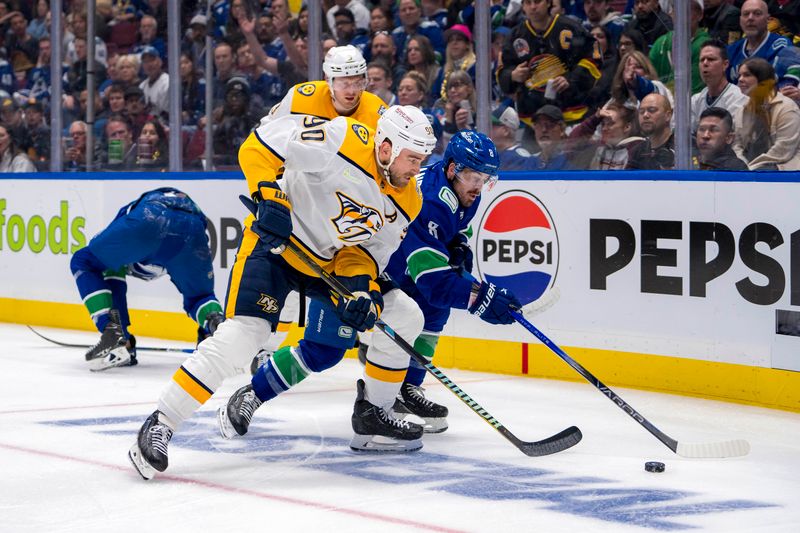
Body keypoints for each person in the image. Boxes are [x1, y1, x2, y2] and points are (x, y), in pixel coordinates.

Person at [128, 105, 436, 478]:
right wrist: (270, 196)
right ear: (385, 147)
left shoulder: (410, 199)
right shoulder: (343, 138)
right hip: (275, 247)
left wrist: (360, 291)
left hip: (326, 265)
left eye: (423, 159)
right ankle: (162, 422)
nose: (417, 168)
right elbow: (257, 147)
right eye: (413, 158)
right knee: (245, 336)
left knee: (404, 314)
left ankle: (374, 414)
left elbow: (365, 252)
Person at [350, 131, 520, 434]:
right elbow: (435, 283)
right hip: (384, 262)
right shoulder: (430, 199)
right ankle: (380, 399)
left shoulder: (464, 190)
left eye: (486, 179)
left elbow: (459, 226)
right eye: (474, 177)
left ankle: (408, 389)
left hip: (412, 256)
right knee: (419, 308)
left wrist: (459, 245)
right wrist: (480, 299)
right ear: (453, 169)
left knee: (435, 313)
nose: (479, 187)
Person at [69, 188, 224, 371]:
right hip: (195, 228)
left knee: (84, 261)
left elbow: (110, 263)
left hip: (151, 216)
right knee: (201, 296)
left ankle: (115, 334)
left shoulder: (124, 219)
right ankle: (218, 333)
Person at [497, 0, 600, 126]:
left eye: (537, 2)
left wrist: (571, 79)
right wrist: (513, 75)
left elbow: (594, 56)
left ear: (548, 3)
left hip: (571, 115)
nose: (533, 7)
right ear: (523, 6)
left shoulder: (571, 28)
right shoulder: (515, 35)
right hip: (532, 119)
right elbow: (502, 71)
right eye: (528, 3)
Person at [732, 57, 800, 170]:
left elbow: (783, 150)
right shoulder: (741, 111)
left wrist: (751, 168)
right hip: (750, 169)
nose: (740, 79)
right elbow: (737, 145)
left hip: (784, 169)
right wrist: (742, 165)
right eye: (739, 75)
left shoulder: (787, 108)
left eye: (747, 75)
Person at [725, 0, 800, 89]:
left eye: (757, 13)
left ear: (768, 19)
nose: (750, 18)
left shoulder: (781, 46)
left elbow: (785, 87)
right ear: (740, 20)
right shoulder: (731, 50)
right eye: (746, 14)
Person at [648, 0, 710, 94]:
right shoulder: (661, 42)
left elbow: (694, 90)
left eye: (685, 10)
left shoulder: (705, 46)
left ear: (700, 15)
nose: (679, 15)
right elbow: (649, 77)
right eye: (675, 10)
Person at [690, 40, 748, 133]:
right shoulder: (695, 101)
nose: (705, 63)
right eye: (702, 60)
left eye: (711, 59)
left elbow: (736, 139)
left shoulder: (739, 98)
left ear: (725, 65)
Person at [567, 102, 644, 170]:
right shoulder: (597, 148)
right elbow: (571, 147)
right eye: (603, 124)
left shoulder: (638, 151)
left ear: (627, 127)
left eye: (610, 123)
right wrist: (594, 119)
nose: (604, 128)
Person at [626, 92, 675, 170]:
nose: (645, 115)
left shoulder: (683, 146)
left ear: (668, 115)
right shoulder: (638, 151)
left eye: (652, 110)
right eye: (641, 112)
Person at [490, 101, 536, 170]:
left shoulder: (520, 159)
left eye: (492, 126)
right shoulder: (493, 154)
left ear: (506, 131)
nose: (487, 130)